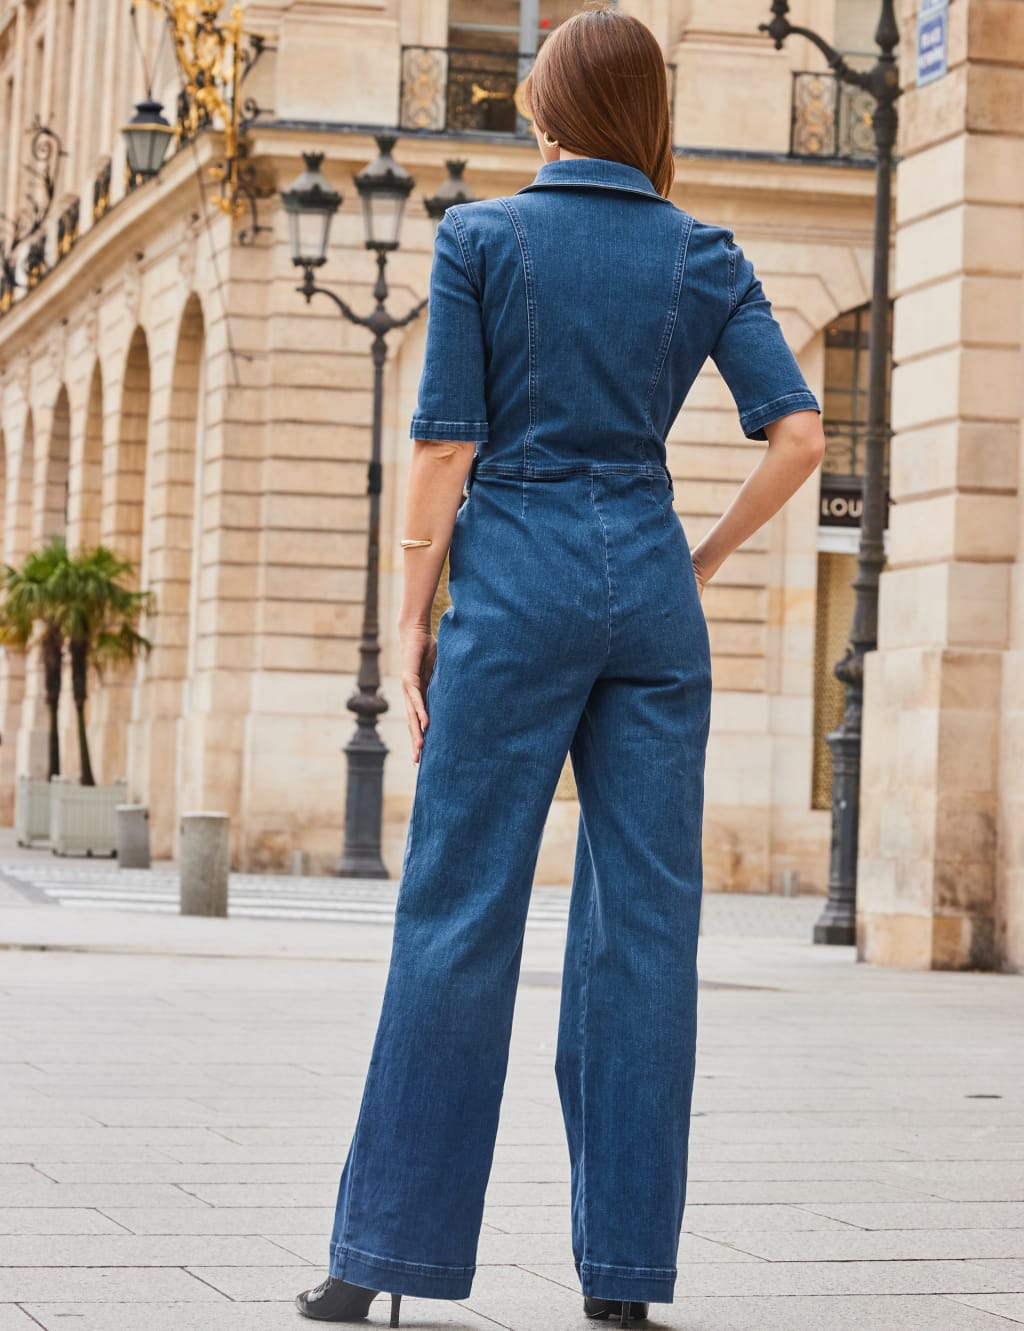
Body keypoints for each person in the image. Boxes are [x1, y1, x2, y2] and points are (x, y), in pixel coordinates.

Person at [296, 7, 824, 1326]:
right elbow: (802, 437)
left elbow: (442, 453)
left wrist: (407, 614)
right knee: (643, 939)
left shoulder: (481, 237)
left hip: (515, 593)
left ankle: (378, 1266)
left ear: (542, 111)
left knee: (460, 917)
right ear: (650, 121)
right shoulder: (706, 250)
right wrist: (691, 563)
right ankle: (625, 1286)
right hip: (648, 599)